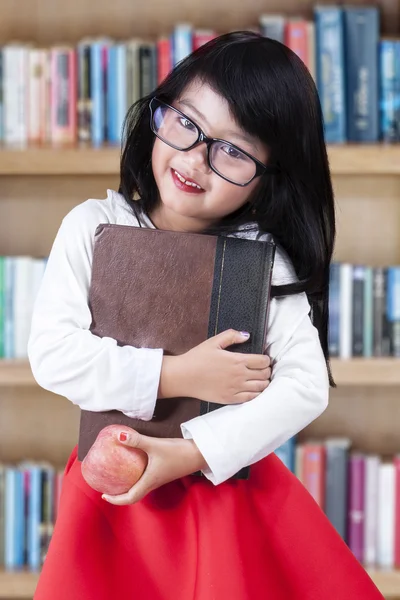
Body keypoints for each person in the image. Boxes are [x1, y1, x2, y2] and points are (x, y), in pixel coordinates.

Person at [28, 31, 383, 600]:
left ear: (270, 179)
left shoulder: (262, 260)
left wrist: (190, 453)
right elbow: (52, 356)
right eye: (185, 124)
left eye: (234, 151)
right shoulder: (93, 225)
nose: (195, 159)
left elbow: (306, 386)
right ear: (158, 113)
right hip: (109, 491)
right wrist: (176, 375)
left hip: (223, 490)